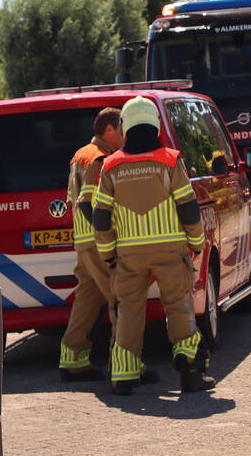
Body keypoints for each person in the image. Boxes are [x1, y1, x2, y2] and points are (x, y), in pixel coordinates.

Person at [91, 96, 215, 395]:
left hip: (129, 255)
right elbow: (188, 208)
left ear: (126, 126)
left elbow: (101, 217)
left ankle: (123, 375)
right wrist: (197, 243)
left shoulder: (111, 165)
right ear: (155, 124)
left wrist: (107, 253)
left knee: (129, 310)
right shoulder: (170, 160)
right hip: (171, 251)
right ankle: (189, 371)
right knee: (178, 306)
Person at [58, 108, 124, 381]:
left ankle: (72, 358)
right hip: (98, 243)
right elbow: (90, 203)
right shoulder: (99, 159)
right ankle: (124, 362)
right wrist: (107, 235)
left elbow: (72, 199)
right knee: (121, 298)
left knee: (87, 297)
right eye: (122, 130)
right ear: (109, 130)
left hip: (83, 242)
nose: (124, 136)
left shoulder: (80, 154)